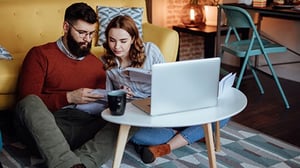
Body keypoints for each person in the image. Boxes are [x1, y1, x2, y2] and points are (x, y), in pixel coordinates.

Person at [13, 3, 137, 168]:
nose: (87, 39)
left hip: (84, 125)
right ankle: (66, 163)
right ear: (66, 27)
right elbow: (25, 102)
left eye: (91, 34)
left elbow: (102, 103)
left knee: (132, 113)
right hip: (49, 126)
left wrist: (117, 96)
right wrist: (69, 97)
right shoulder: (40, 54)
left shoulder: (95, 63)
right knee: (30, 101)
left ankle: (79, 163)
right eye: (82, 33)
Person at [101, 15, 230, 164]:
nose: (117, 46)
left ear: (133, 38)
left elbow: (169, 80)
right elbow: (108, 98)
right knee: (134, 135)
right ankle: (192, 134)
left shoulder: (150, 50)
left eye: (123, 41)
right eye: (112, 40)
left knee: (221, 112)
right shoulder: (107, 63)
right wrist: (123, 95)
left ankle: (166, 146)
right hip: (142, 114)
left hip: (167, 104)